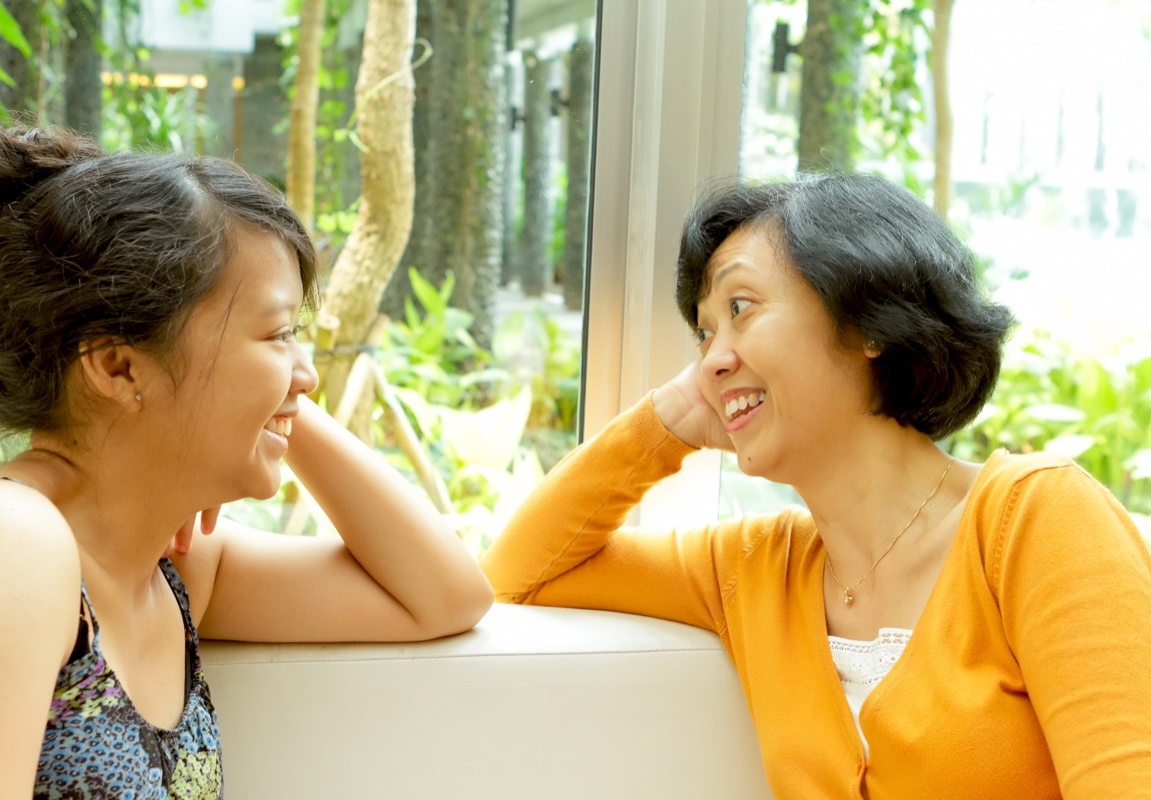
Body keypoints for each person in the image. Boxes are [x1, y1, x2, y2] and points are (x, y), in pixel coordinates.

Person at [482, 174, 1151, 797]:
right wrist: (670, 422)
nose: (712, 359)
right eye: (704, 333)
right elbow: (517, 575)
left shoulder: (1035, 520)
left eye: (742, 308)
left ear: (864, 320)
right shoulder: (751, 571)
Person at [0, 124, 493, 798]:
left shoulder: (172, 570)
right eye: (277, 333)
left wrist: (271, 411)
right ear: (118, 365)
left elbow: (446, 596)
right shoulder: (5, 538)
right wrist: (257, 412)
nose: (310, 376)